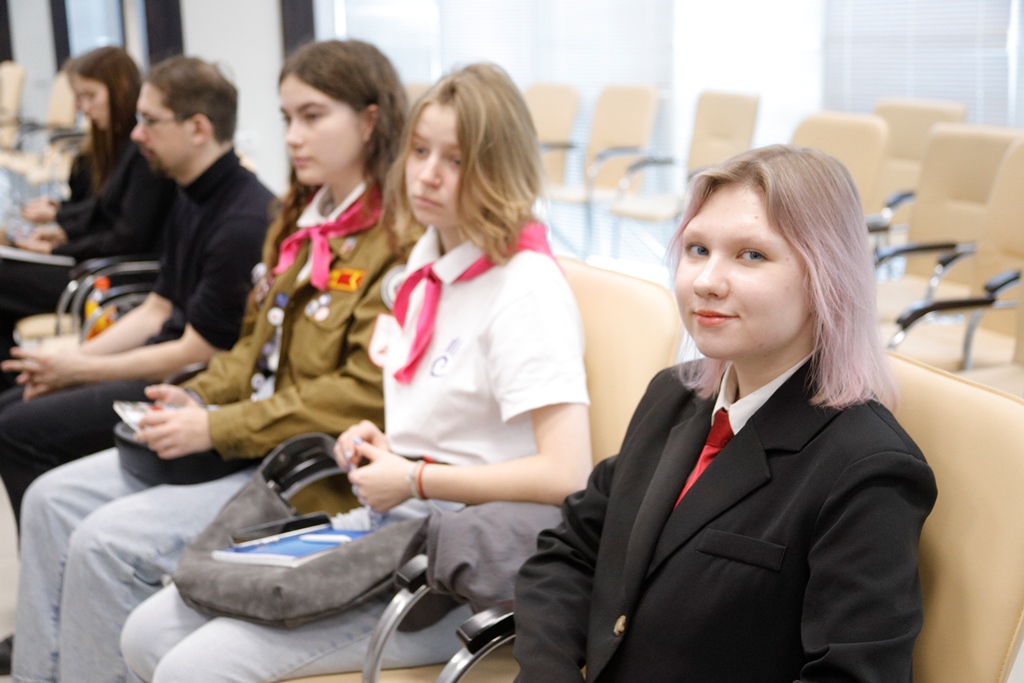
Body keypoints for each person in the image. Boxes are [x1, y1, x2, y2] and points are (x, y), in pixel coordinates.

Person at [119, 63, 593, 683]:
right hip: (399, 520)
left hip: (461, 559)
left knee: (194, 669)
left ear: (500, 169)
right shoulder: (425, 261)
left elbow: (566, 474)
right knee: (146, 633)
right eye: (420, 151)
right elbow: (451, 426)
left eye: (456, 160)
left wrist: (415, 476)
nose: (426, 174)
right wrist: (387, 446)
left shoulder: (525, 289)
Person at [11, 40, 410, 683]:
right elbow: (250, 349)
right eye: (287, 118)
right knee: (50, 499)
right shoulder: (301, 220)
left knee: (104, 544)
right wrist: (198, 395)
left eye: (312, 117)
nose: (293, 137)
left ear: (369, 121)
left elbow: (358, 395)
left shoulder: (397, 242)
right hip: (246, 439)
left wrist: (216, 424)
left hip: (304, 471)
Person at [511, 145, 938, 683]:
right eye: (697, 249)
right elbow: (572, 551)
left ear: (825, 277)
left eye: (751, 255)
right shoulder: (673, 397)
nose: (706, 281)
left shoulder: (867, 468)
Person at [0, 55, 273, 530]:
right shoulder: (191, 195)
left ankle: (65, 545)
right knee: (14, 402)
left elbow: (195, 352)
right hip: (165, 359)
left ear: (198, 128)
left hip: (192, 383)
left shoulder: (244, 220)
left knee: (17, 429)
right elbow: (155, 309)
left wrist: (79, 369)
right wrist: (70, 362)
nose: (137, 134)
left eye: (149, 121)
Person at [0, 46, 177, 374]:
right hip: (95, 267)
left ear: (120, 89)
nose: (81, 107)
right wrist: (60, 231)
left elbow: (126, 238)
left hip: (107, 278)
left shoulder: (143, 155)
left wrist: (58, 247)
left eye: (89, 96)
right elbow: (101, 211)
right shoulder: (117, 148)